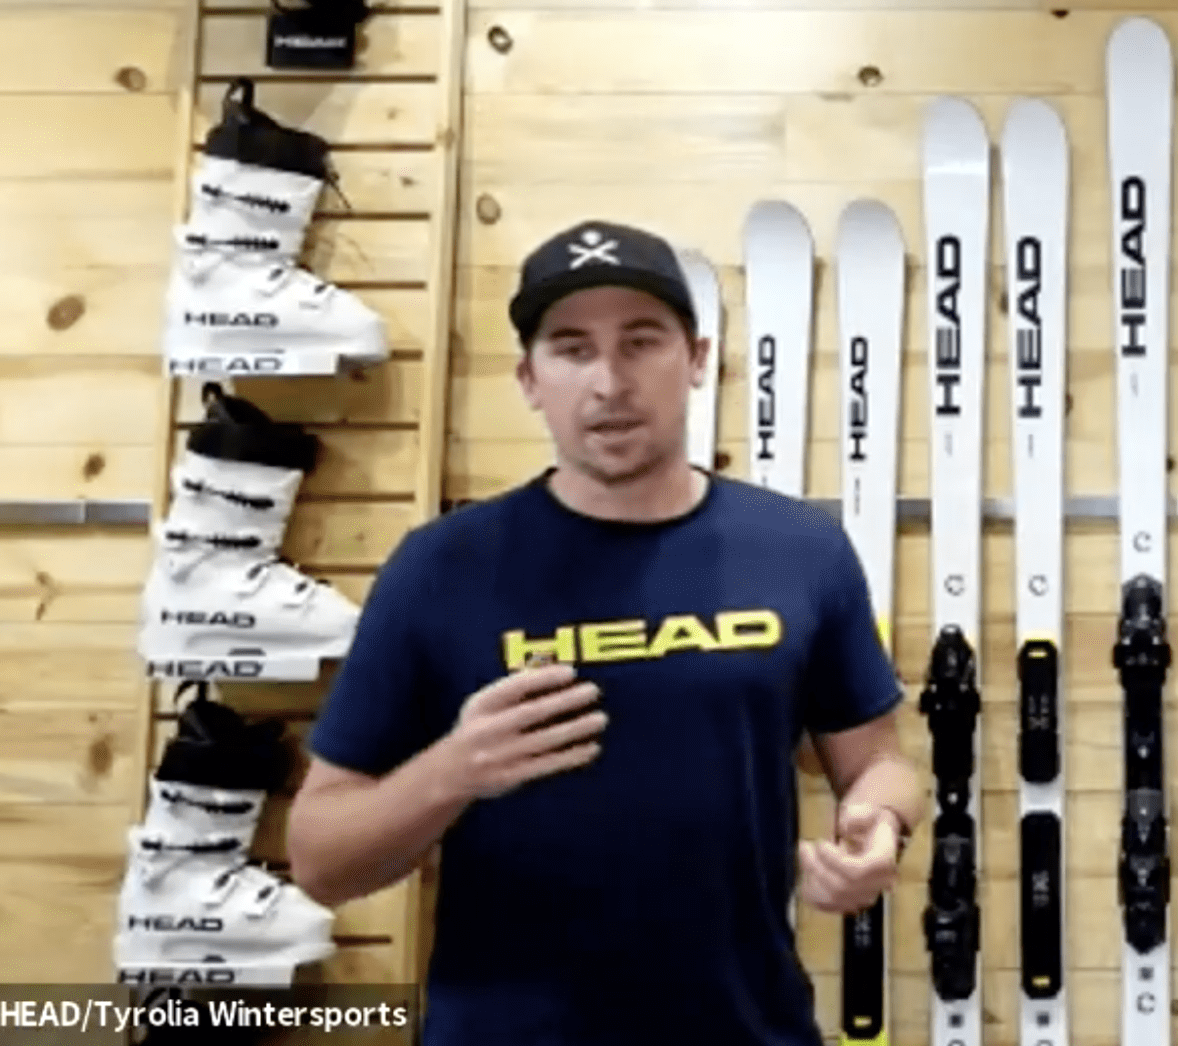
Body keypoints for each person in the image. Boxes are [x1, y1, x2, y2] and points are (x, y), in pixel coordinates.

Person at [287, 220, 924, 1045]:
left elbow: (878, 762)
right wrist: (453, 769)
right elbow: (320, 859)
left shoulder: (801, 549)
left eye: (641, 341)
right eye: (573, 348)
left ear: (698, 358)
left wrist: (879, 825)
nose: (610, 382)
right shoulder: (440, 567)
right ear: (529, 377)